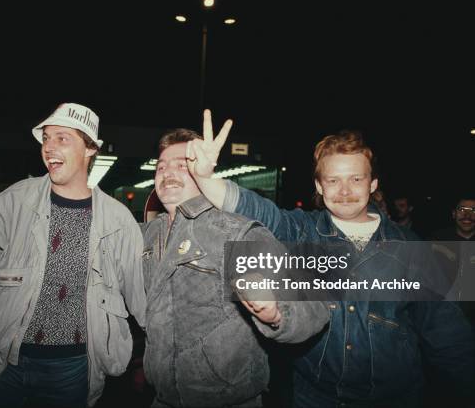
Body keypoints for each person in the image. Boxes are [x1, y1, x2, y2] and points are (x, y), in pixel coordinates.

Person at [186, 112, 474, 407]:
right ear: (320, 186)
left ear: (373, 184)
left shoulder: (413, 249)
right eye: (333, 180)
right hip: (315, 398)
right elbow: (256, 210)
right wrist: (205, 178)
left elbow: (448, 337)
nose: (345, 191)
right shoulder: (301, 230)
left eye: (356, 179)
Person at [0, 103, 146, 408]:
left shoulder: (118, 221)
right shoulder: (17, 200)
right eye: (46, 138)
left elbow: (141, 298)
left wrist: (155, 360)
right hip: (5, 364)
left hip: (73, 369)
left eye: (62, 138)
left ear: (90, 149)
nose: (49, 147)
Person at [141, 126, 330, 407]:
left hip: (225, 400)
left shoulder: (230, 232)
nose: (168, 173)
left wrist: (277, 312)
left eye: (182, 165)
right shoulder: (149, 234)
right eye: (162, 166)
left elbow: (313, 306)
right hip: (163, 398)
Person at [429, 195, 475, 322]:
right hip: (445, 319)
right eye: (462, 209)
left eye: (473, 210)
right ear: (454, 214)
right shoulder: (437, 240)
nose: (467, 215)